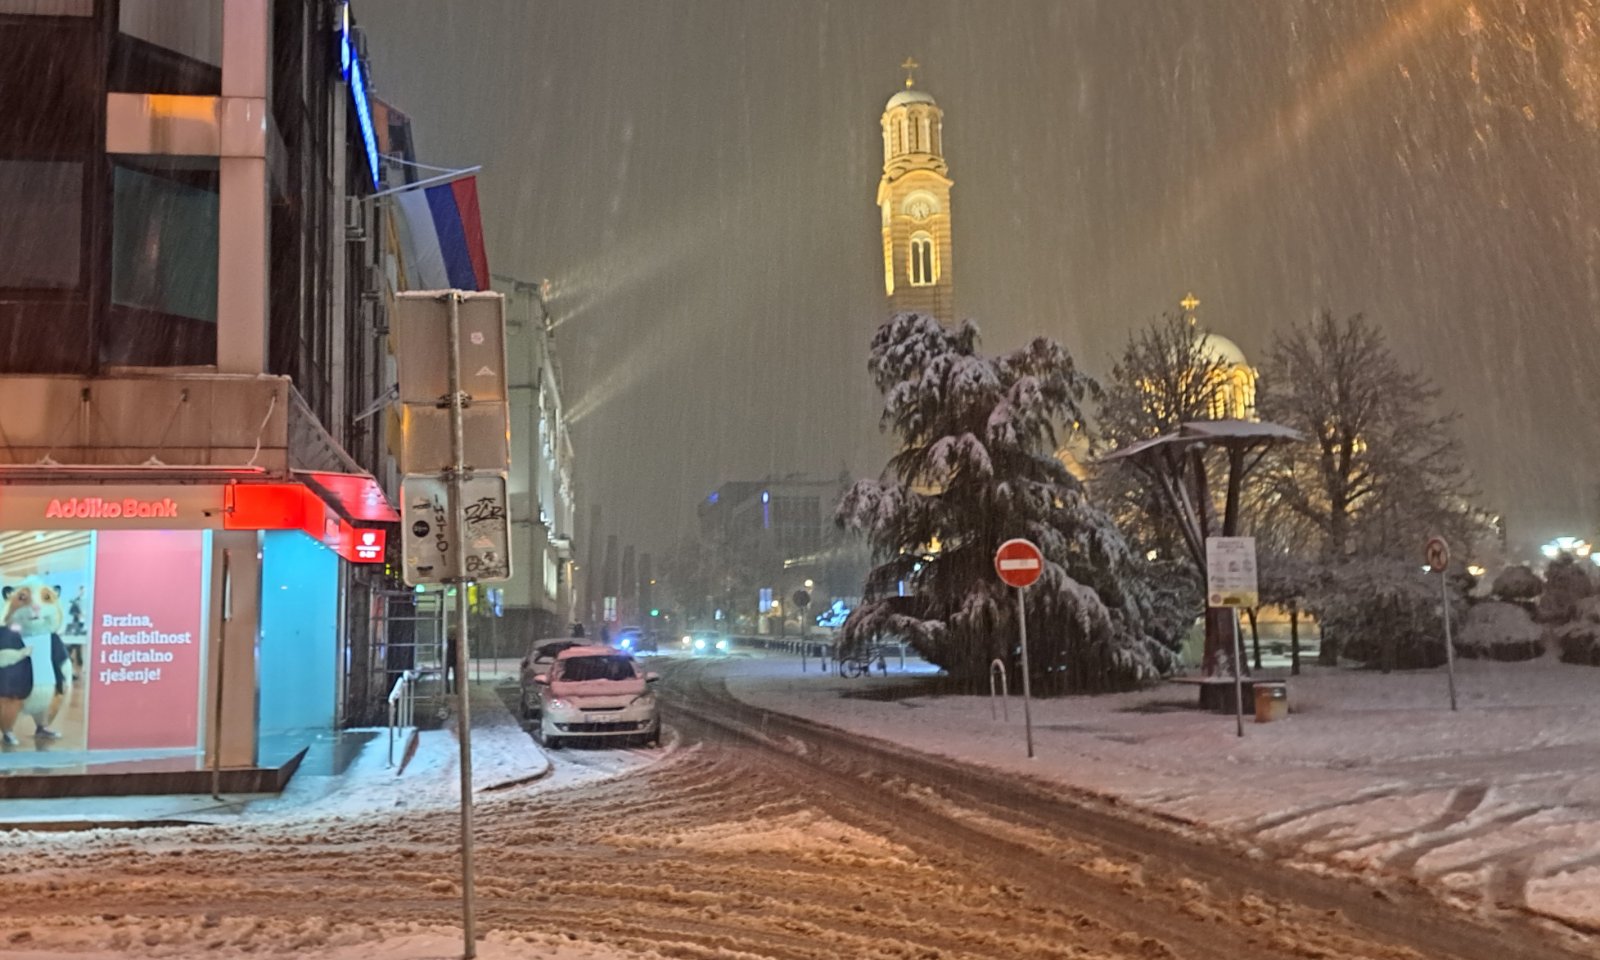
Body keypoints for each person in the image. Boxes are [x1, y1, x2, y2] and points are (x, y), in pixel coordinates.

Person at [443, 630, 459, 694]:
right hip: (448, 659)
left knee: (456, 676)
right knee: (446, 676)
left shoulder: (457, 642)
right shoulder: (447, 641)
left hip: (453, 660)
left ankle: (454, 690)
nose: (452, 636)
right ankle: (449, 690)